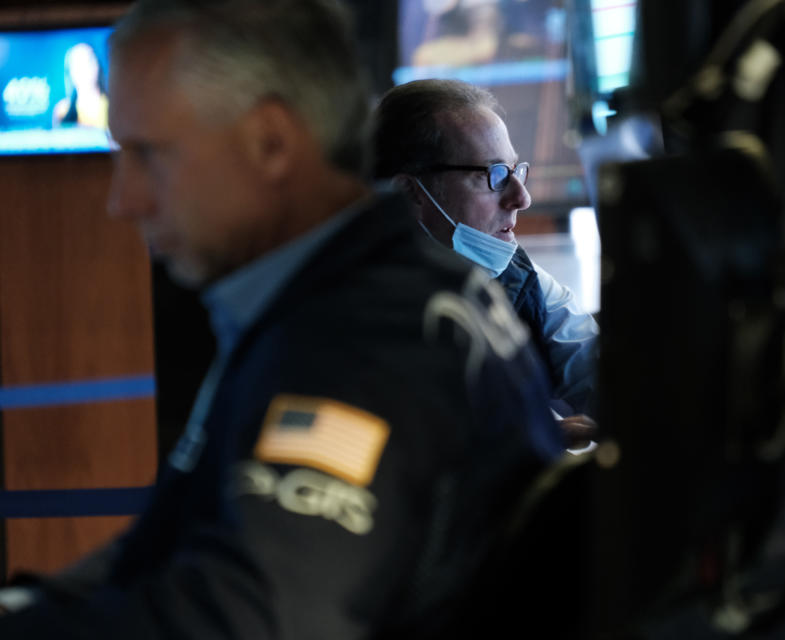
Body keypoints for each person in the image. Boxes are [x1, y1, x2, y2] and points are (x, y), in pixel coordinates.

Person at [0, 0, 564, 637]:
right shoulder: (319, 305)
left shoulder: (372, 341)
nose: (121, 200)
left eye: (147, 154)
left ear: (269, 144)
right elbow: (169, 540)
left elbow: (243, 618)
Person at [373, 78, 599, 445]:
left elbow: (598, 370)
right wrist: (525, 437)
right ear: (409, 191)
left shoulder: (516, 276)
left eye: (515, 171)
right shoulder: (347, 303)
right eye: (493, 176)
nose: (521, 197)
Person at [52, 42, 109, 129]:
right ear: (70, 72)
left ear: (97, 66)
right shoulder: (62, 110)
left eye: (88, 62)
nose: (84, 70)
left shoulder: (112, 107)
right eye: (77, 64)